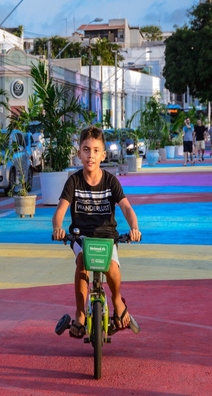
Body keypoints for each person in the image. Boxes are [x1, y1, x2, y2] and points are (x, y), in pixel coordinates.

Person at [52, 126, 142, 338]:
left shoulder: (111, 181)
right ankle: (80, 314)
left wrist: (134, 228)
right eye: (86, 149)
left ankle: (118, 299)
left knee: (111, 267)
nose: (90, 155)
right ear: (79, 153)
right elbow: (60, 211)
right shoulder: (73, 181)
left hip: (107, 237)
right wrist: (57, 228)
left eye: (95, 150)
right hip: (80, 236)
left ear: (103, 154)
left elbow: (127, 208)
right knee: (82, 262)